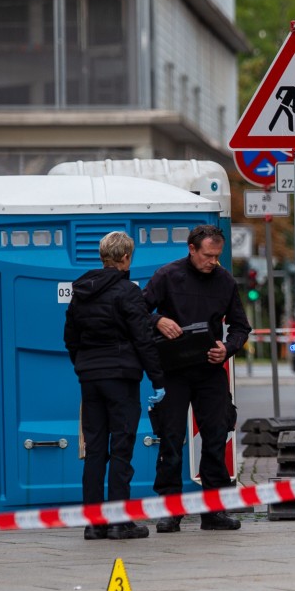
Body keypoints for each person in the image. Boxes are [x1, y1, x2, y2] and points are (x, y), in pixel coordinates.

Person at [143, 224, 252, 532]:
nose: (213, 262)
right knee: (171, 441)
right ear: (191, 249)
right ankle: (170, 511)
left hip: (209, 370)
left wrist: (227, 348)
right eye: (207, 255)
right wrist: (158, 320)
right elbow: (136, 310)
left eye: (217, 256)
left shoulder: (225, 281)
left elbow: (242, 327)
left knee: (217, 437)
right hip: (173, 371)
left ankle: (213, 511)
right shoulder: (167, 276)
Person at [64, 231, 166, 541]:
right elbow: (143, 338)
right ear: (126, 258)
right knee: (121, 449)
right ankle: (120, 521)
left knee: (95, 450)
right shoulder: (127, 292)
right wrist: (158, 380)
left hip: (90, 379)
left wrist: (84, 365)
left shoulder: (81, 290)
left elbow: (70, 337)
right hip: (121, 378)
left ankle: (94, 524)